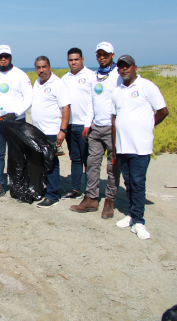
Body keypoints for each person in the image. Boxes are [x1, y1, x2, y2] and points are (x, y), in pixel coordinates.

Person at [112, 55, 168, 239]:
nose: (124, 69)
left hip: (140, 146)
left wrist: (147, 125)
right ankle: (131, 214)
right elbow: (114, 118)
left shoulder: (146, 86)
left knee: (138, 183)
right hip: (122, 146)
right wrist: (113, 146)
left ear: (135, 67)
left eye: (127, 66)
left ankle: (139, 221)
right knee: (128, 183)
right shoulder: (117, 91)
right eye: (121, 67)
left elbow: (162, 111)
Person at [70, 42, 122, 218]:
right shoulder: (95, 75)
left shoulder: (117, 74)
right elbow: (91, 102)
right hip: (95, 127)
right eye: (99, 54)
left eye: (105, 54)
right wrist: (87, 124)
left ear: (112, 55)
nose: (102, 57)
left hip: (112, 127)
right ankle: (91, 198)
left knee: (112, 166)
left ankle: (109, 200)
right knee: (92, 164)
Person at [0, 45, 32, 200]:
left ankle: (17, 184)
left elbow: (28, 98)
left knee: (17, 155)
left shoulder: (21, 75)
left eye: (6, 56)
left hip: (16, 122)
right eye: (0, 57)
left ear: (10, 57)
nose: (3, 59)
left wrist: (15, 113)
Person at [31, 56, 71, 207]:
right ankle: (44, 189)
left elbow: (66, 107)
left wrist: (62, 130)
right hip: (38, 131)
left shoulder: (58, 83)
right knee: (41, 162)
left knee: (52, 162)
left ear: (49, 67)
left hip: (52, 131)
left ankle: (52, 195)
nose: (42, 70)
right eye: (38, 68)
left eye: (44, 67)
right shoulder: (37, 83)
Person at [61, 48, 95, 200]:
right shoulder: (64, 78)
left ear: (82, 59)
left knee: (88, 159)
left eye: (76, 59)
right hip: (69, 125)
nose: (73, 62)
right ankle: (75, 189)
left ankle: (90, 190)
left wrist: (89, 123)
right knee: (75, 158)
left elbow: (94, 101)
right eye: (70, 60)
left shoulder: (91, 76)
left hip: (85, 125)